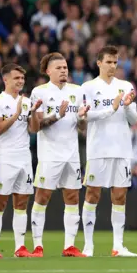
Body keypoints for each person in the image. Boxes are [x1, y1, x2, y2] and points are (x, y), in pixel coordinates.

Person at [28, 52, 89, 257]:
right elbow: (37, 126)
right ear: (48, 71)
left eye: (65, 67)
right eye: (59, 68)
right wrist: (58, 115)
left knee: (72, 196)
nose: (64, 70)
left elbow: (81, 127)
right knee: (42, 196)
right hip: (50, 154)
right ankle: (38, 246)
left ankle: (69, 246)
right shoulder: (40, 92)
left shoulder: (77, 91)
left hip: (71, 153)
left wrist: (81, 118)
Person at [80, 45, 137, 257]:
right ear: (99, 63)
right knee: (92, 193)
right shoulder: (87, 87)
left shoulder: (125, 85)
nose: (113, 66)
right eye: (109, 62)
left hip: (122, 148)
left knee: (120, 196)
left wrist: (127, 106)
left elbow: (134, 120)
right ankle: (88, 245)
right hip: (98, 148)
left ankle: (118, 246)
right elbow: (84, 117)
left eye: (115, 62)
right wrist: (112, 108)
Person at [0, 63, 41, 258]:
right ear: (5, 79)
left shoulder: (26, 102)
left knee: (21, 202)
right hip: (5, 157)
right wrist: (17, 113)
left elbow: (34, 129)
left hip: (24, 157)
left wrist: (33, 112)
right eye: (16, 78)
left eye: (22, 78)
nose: (20, 81)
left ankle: (20, 247)